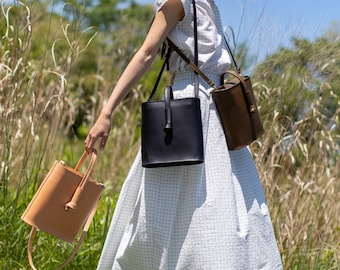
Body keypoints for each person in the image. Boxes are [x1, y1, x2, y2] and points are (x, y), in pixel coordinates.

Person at [85, 0, 283, 269]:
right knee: (220, 204)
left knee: (163, 209)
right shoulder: (205, 4)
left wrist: (107, 111)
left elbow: (146, 53)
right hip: (217, 110)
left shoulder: (177, 2)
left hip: (189, 106)